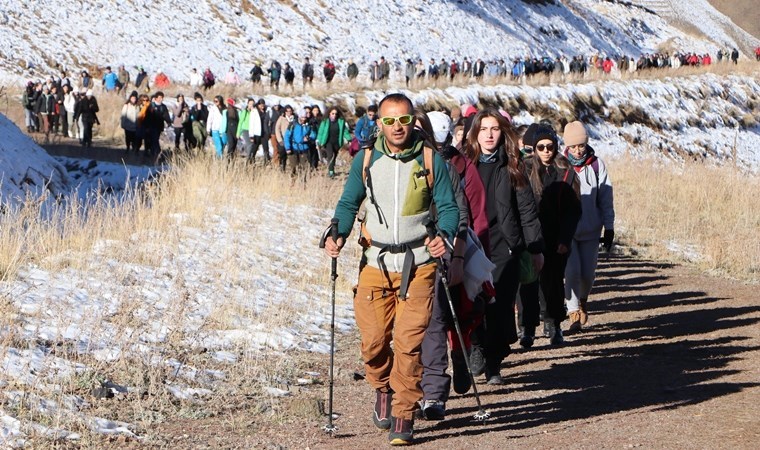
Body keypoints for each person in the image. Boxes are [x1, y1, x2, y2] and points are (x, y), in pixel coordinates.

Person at [323, 93, 459, 446]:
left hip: (420, 264)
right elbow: (349, 202)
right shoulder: (366, 159)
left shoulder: (431, 160)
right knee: (373, 344)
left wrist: (444, 236)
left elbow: (448, 208)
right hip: (376, 262)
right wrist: (337, 231)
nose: (397, 127)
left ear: (414, 121)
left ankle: (403, 413)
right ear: (379, 123)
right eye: (389, 121)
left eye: (404, 120)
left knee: (409, 343)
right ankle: (382, 387)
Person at [419, 111, 490, 420]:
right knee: (422, 324)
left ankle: (440, 383)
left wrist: (458, 254)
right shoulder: (397, 168)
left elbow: (466, 213)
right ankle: (419, 388)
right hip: (405, 257)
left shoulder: (452, 169)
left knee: (447, 316)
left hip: (446, 251)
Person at [466, 109, 543, 384]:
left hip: (504, 246)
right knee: (472, 303)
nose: (489, 134)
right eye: (483, 129)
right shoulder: (465, 165)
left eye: (494, 129)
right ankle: (475, 346)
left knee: (499, 308)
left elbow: (526, 209)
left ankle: (494, 363)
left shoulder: (513, 166)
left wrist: (534, 248)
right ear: (475, 133)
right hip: (472, 244)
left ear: (502, 133)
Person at [526, 125, 581, 345]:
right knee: (530, 282)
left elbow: (573, 210)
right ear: (535, 149)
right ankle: (528, 327)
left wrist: (566, 239)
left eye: (550, 146)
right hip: (532, 234)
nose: (546, 151)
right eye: (541, 147)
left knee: (554, 281)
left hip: (557, 236)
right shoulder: (525, 170)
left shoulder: (566, 172)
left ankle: (555, 323)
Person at [563, 120, 615, 333]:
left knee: (587, 274)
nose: (577, 150)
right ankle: (573, 310)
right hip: (567, 231)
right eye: (573, 146)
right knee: (572, 271)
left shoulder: (596, 165)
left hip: (592, 230)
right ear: (567, 146)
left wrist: (609, 227)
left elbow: (605, 197)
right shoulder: (561, 165)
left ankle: (583, 299)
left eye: (581, 145)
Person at [317, 107, 351, 178]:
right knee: (331, 155)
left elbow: (345, 131)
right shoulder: (325, 121)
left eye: (336, 114)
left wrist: (349, 139)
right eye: (333, 113)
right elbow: (321, 132)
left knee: (334, 156)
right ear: (329, 113)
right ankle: (331, 172)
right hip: (327, 141)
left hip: (337, 142)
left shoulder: (341, 121)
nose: (334, 115)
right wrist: (319, 141)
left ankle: (332, 169)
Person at [283, 110, 316, 177]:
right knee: (293, 167)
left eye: (305, 118)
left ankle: (303, 183)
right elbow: (287, 136)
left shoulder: (309, 125)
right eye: (302, 117)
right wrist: (288, 147)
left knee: (304, 168)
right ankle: (293, 183)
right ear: (299, 117)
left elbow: (314, 134)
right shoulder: (293, 124)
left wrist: (309, 138)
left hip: (304, 148)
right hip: (293, 148)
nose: (304, 119)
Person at [145, 91, 172, 157]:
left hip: (159, 126)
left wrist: (168, 122)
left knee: (155, 139)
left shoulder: (163, 107)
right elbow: (147, 116)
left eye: (162, 98)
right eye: (159, 98)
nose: (161, 99)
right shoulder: (151, 106)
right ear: (156, 98)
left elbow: (166, 115)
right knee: (153, 139)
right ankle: (156, 152)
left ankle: (155, 153)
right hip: (151, 126)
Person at [274, 104, 295, 171]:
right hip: (283, 140)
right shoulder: (281, 118)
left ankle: (293, 170)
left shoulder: (295, 119)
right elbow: (277, 129)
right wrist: (280, 140)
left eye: (290, 111)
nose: (289, 112)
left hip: (292, 140)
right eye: (287, 111)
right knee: (283, 156)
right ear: (285, 112)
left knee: (292, 157)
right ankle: (282, 169)